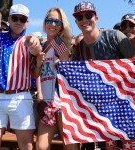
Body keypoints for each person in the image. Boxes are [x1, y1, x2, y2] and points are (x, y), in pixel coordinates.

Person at [71, 1, 135, 150]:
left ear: (96, 18)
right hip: (95, 112)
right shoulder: (79, 49)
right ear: (76, 22)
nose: (84, 19)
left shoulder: (114, 36)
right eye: (80, 17)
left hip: (122, 108)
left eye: (89, 15)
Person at [0, 4, 42, 150]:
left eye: (22, 19)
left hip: (20, 96)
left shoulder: (28, 40)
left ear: (27, 22)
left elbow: (36, 49)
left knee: (26, 143)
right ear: (9, 19)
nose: (18, 22)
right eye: (15, 18)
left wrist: (34, 43)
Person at [35, 7, 79, 150]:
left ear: (62, 26)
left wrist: (62, 60)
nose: (52, 25)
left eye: (57, 22)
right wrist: (38, 63)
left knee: (70, 146)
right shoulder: (41, 46)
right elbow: (37, 74)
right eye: (49, 20)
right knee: (41, 147)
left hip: (62, 102)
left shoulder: (60, 43)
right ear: (44, 23)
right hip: (47, 103)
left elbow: (65, 64)